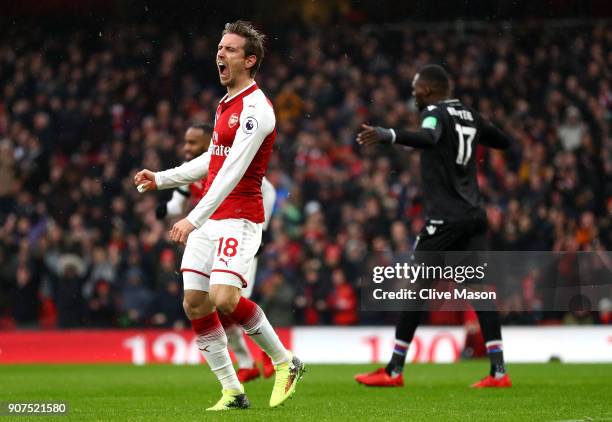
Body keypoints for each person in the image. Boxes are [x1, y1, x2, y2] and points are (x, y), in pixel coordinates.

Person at [135, 20, 304, 411]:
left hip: (239, 217)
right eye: (219, 48)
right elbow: (213, 160)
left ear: (250, 60)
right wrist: (161, 178)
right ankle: (233, 391)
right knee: (195, 303)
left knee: (224, 298)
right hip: (211, 219)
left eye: (229, 49)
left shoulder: (256, 109)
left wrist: (193, 217)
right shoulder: (225, 104)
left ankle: (285, 361)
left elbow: (232, 171)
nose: (220, 54)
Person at [354, 64, 512, 388]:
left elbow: (428, 137)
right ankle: (499, 372)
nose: (413, 93)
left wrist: (389, 135)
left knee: (416, 288)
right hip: (474, 216)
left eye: (415, 87)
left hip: (445, 220)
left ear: (426, 89)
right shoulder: (468, 113)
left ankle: (394, 370)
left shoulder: (434, 112)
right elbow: (503, 141)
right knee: (478, 291)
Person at [156, 122, 278, 382]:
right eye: (186, 142)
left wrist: (262, 226)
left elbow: (268, 190)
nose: (187, 148)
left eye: (193, 143)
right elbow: (177, 201)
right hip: (209, 236)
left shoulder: (229, 158)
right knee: (211, 305)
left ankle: (269, 353)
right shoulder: (191, 173)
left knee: (231, 303)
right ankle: (246, 363)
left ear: (208, 143)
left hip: (239, 234)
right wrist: (163, 210)